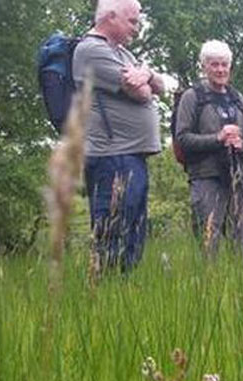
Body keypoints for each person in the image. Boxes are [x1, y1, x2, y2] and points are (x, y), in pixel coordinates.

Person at [73, 0, 165, 272]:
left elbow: (158, 85)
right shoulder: (91, 50)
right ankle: (104, 293)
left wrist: (146, 73)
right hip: (111, 157)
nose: (137, 29)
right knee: (112, 230)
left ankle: (124, 289)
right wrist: (145, 80)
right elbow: (141, 93)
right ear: (110, 17)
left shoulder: (122, 53)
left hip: (130, 156)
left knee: (133, 228)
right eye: (132, 21)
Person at [174, 40, 243, 256]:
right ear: (204, 66)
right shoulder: (192, 97)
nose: (220, 70)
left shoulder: (237, 98)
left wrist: (241, 144)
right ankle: (208, 284)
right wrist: (218, 138)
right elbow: (182, 138)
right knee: (208, 239)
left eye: (224, 64)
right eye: (214, 64)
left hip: (239, 175)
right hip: (205, 177)